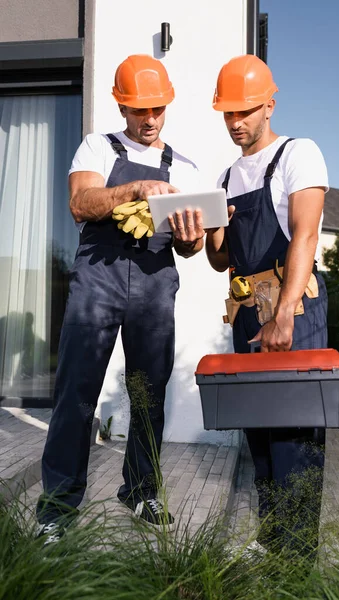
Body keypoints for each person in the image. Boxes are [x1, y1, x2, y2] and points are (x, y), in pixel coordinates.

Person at [36, 54, 204, 543]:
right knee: (76, 393)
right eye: (138, 110)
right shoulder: (98, 148)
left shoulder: (186, 166)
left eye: (157, 109)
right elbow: (80, 203)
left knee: (149, 396)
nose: (149, 120)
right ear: (121, 106)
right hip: (98, 280)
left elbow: (192, 248)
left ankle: (141, 490)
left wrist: (193, 236)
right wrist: (134, 189)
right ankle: (56, 508)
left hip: (155, 282)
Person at [206, 55, 329, 557]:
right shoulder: (226, 176)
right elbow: (219, 260)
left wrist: (284, 312)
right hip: (246, 313)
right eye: (228, 114)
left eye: (246, 112)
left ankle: (298, 559)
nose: (236, 123)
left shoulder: (300, 154)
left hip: (291, 308)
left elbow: (305, 233)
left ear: (269, 105)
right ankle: (272, 540)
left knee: (295, 434)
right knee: (258, 432)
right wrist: (212, 229)